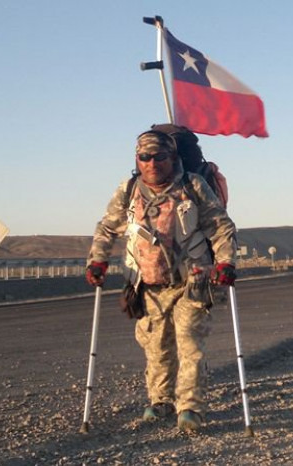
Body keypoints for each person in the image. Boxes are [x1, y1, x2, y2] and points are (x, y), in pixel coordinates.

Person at [85, 129, 237, 432]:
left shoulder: (193, 186)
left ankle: (190, 407)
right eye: (145, 157)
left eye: (160, 156)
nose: (152, 163)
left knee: (189, 343)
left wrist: (226, 262)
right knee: (156, 346)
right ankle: (161, 400)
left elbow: (220, 227)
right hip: (148, 286)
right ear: (137, 159)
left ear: (173, 158)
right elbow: (106, 227)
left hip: (193, 282)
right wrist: (97, 260)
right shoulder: (129, 190)